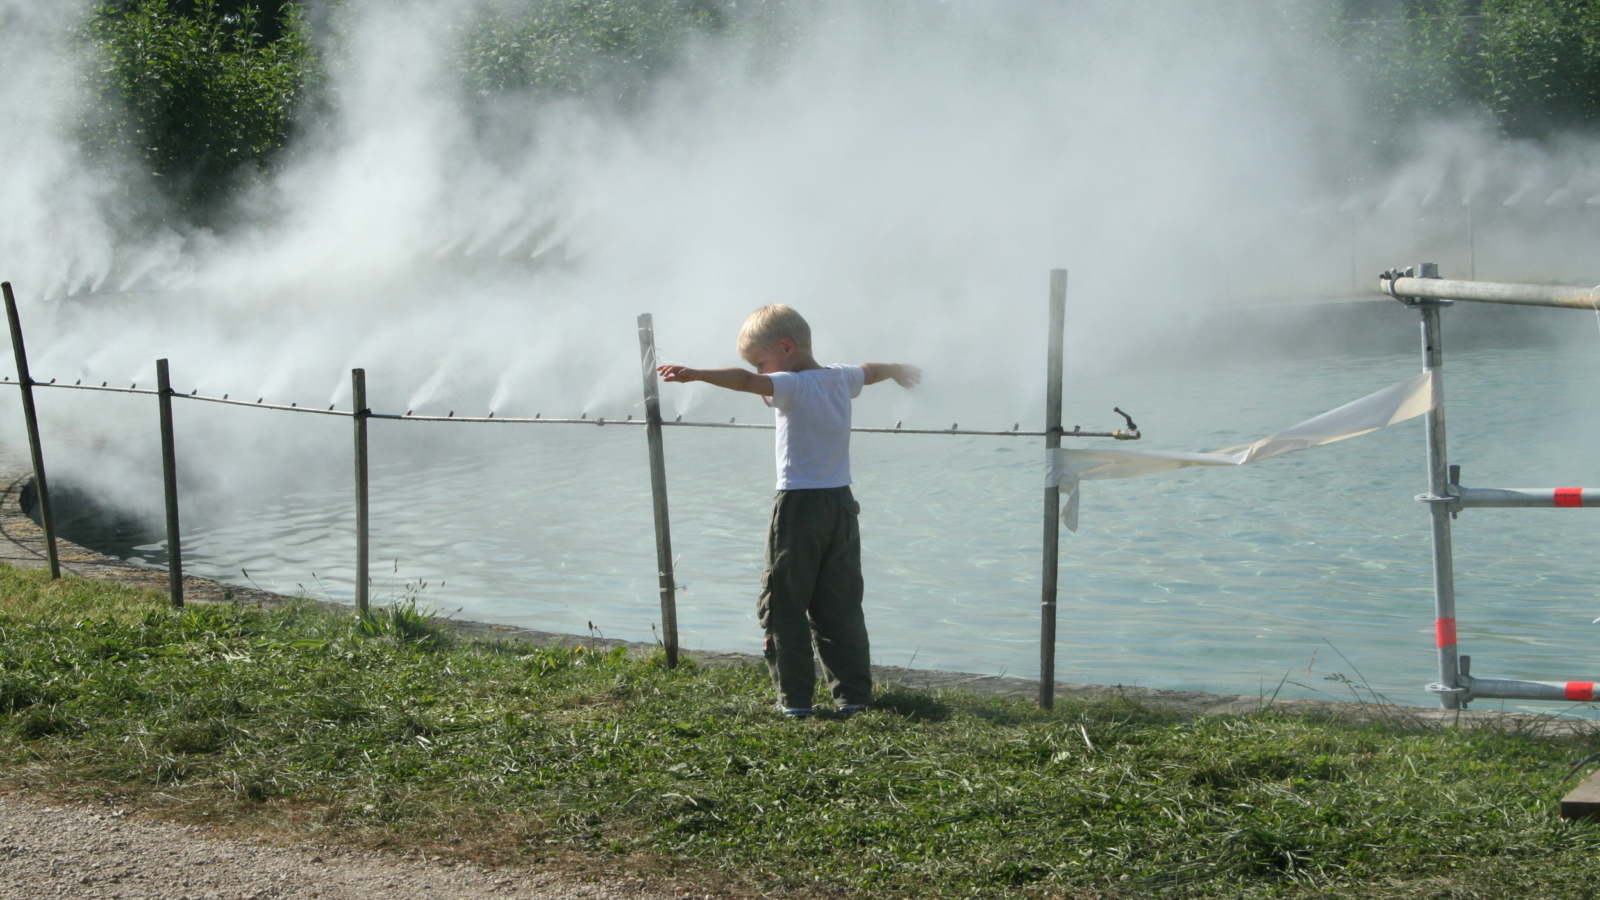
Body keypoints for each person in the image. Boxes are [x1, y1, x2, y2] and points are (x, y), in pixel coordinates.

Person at [656, 304, 921, 718]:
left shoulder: (792, 385)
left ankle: (795, 699)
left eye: (763, 362)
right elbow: (870, 369)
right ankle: (852, 695)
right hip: (841, 506)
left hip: (799, 506)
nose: (763, 376)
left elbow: (745, 381)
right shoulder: (840, 378)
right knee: (840, 603)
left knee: (785, 603)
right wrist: (898, 367)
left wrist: (694, 373)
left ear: (786, 347)